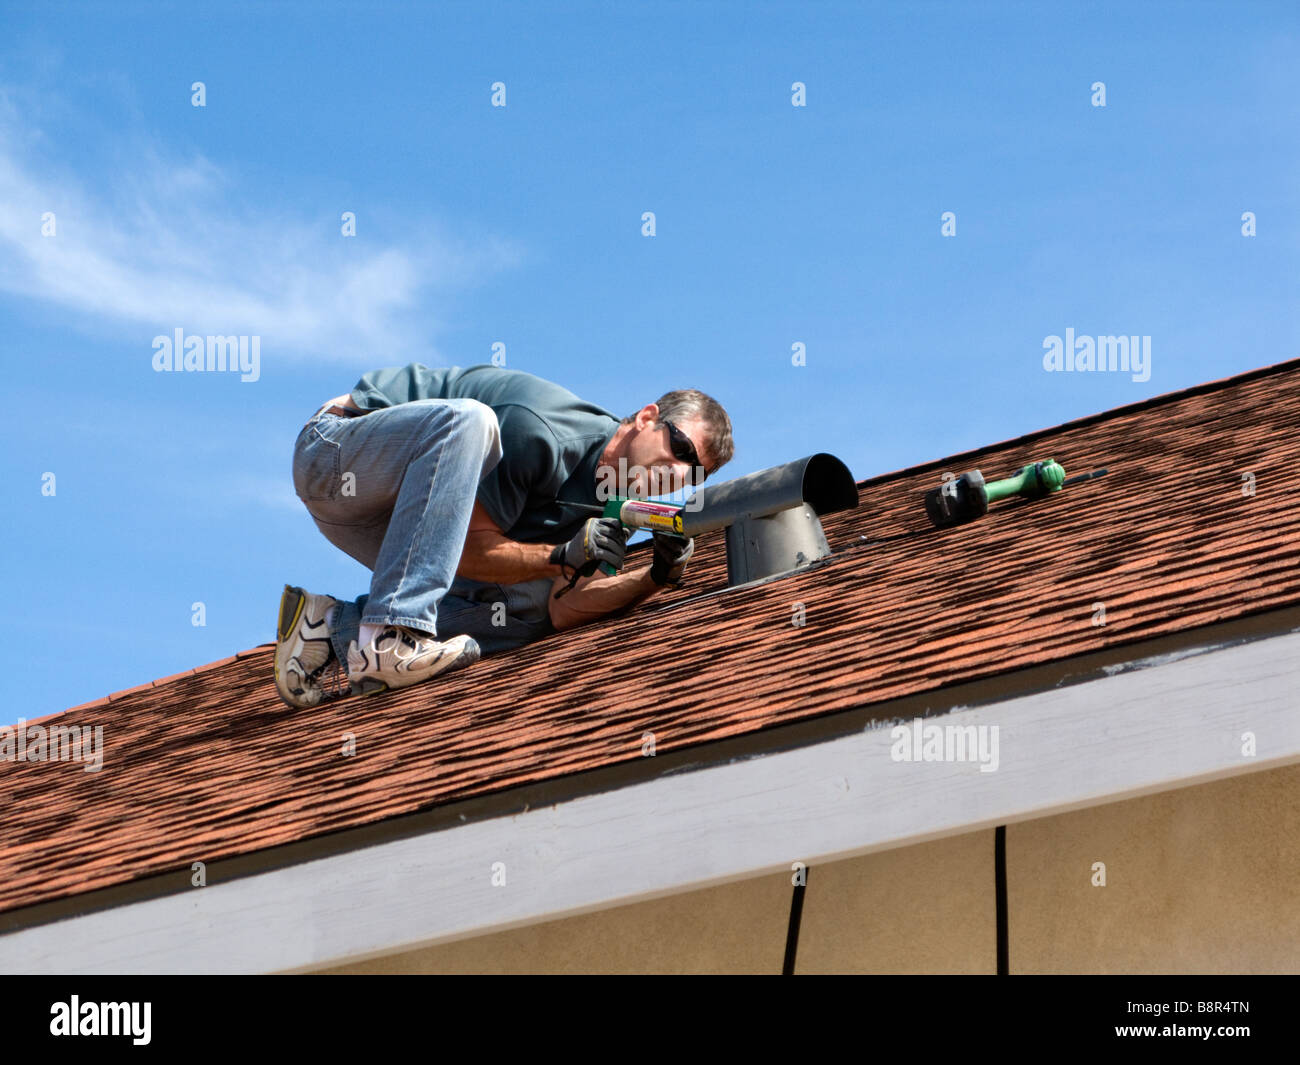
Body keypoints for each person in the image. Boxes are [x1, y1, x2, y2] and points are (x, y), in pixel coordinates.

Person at [274, 362, 734, 707]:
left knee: (524, 607)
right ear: (646, 418)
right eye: (678, 447)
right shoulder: (544, 434)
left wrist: (655, 577)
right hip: (336, 457)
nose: (676, 472)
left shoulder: (614, 499)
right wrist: (560, 556)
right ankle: (387, 639)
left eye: (693, 474)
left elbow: (563, 606)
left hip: (396, 518)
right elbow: (471, 550)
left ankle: (332, 626)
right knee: (469, 421)